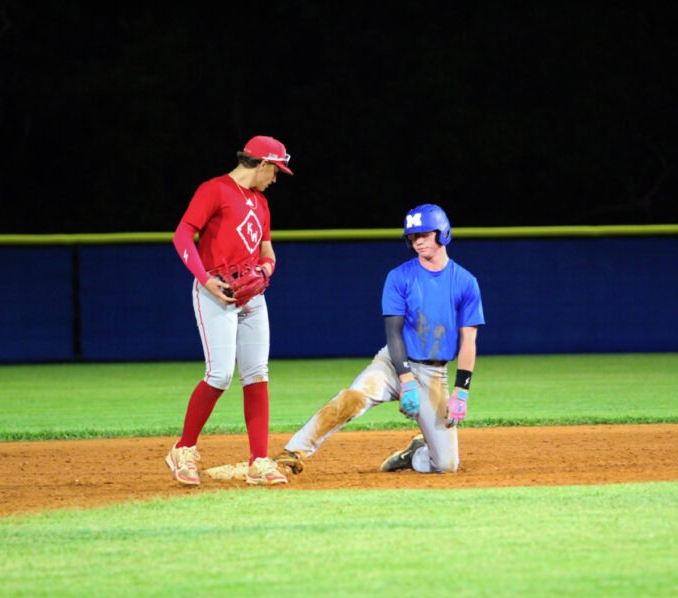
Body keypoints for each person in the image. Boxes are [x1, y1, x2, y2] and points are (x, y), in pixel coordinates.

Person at [274, 203, 484, 475]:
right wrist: (406, 380)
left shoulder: (465, 282)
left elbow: (469, 341)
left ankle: (415, 453)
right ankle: (293, 452)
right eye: (412, 236)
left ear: (443, 233)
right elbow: (393, 333)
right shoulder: (399, 277)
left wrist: (461, 390)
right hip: (394, 363)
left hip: (435, 374)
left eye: (424, 234)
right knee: (353, 398)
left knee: (446, 465)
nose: (417, 241)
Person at [165, 135, 293, 487]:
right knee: (220, 374)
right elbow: (182, 236)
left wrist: (265, 270)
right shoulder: (215, 190)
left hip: (252, 297)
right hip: (215, 292)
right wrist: (206, 281)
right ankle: (183, 448)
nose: (277, 177)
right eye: (276, 169)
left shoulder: (261, 203)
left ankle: (259, 461)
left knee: (257, 373)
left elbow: (268, 252)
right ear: (263, 163)